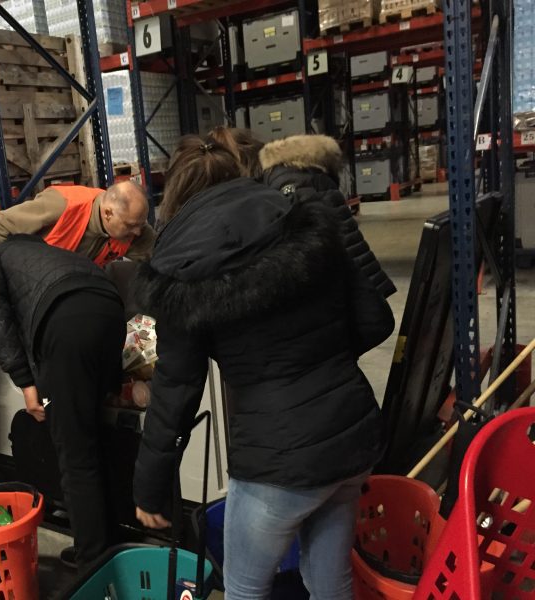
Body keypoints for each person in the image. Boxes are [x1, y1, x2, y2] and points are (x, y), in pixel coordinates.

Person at [132, 135, 395, 599]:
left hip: (277, 462)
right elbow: (375, 320)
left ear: (174, 194)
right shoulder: (305, 216)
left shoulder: (180, 269)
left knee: (244, 589)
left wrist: (150, 488)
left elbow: (176, 390)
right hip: (352, 435)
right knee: (330, 582)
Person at [0, 235, 126, 572]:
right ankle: (112, 539)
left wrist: (26, 383)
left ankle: (93, 561)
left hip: (67, 324)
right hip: (112, 311)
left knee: (75, 454)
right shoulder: (51, 252)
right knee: (97, 434)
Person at [259, 133, 397, 298]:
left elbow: (337, 237)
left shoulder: (294, 180)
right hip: (350, 282)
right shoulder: (312, 176)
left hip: (337, 287)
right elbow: (347, 236)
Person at [0, 181, 156, 264]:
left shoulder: (134, 226)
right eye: (131, 225)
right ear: (108, 214)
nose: (137, 232)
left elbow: (161, 257)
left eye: (140, 225)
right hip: (36, 286)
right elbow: (0, 226)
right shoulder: (62, 206)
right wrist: (4, 283)